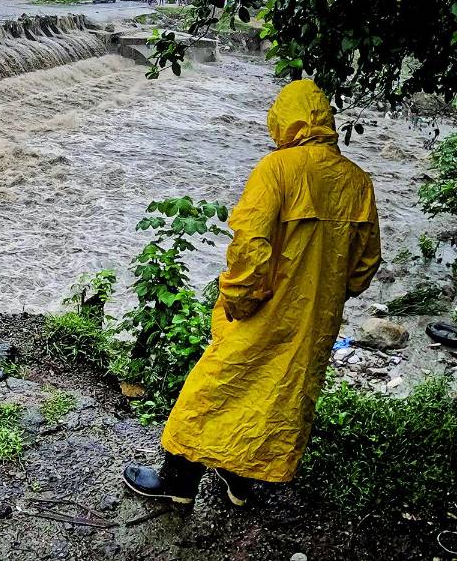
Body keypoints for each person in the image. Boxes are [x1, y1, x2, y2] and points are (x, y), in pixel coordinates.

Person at [124, 79, 381, 507]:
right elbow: (364, 266)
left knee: (212, 389)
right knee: (277, 397)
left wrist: (239, 302)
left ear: (284, 120)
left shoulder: (276, 170)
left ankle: (177, 483)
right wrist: (325, 294)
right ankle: (240, 480)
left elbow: (250, 246)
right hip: (313, 322)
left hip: (262, 308)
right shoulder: (358, 182)